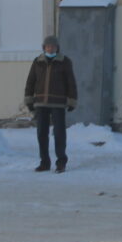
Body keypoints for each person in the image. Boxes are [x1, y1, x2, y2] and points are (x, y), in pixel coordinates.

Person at [24, 35, 78, 173]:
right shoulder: (38, 61)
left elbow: (71, 82)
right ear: (44, 48)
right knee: (42, 134)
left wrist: (72, 100)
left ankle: (61, 162)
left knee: (59, 133)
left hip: (58, 104)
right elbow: (30, 81)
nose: (50, 48)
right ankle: (44, 162)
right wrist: (29, 100)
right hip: (41, 103)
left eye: (53, 46)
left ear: (57, 48)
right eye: (48, 46)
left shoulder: (65, 61)